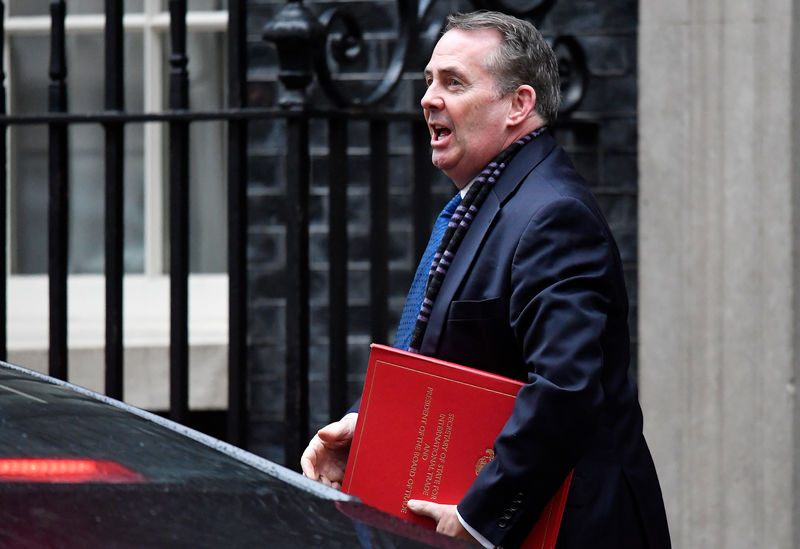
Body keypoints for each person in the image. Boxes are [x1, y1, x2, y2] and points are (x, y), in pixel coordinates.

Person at [301, 10, 671, 549]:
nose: (428, 98)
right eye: (428, 81)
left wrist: (480, 516)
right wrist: (370, 430)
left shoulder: (551, 214)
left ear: (519, 105)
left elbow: (566, 389)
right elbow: (456, 367)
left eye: (453, 82)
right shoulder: (487, 204)